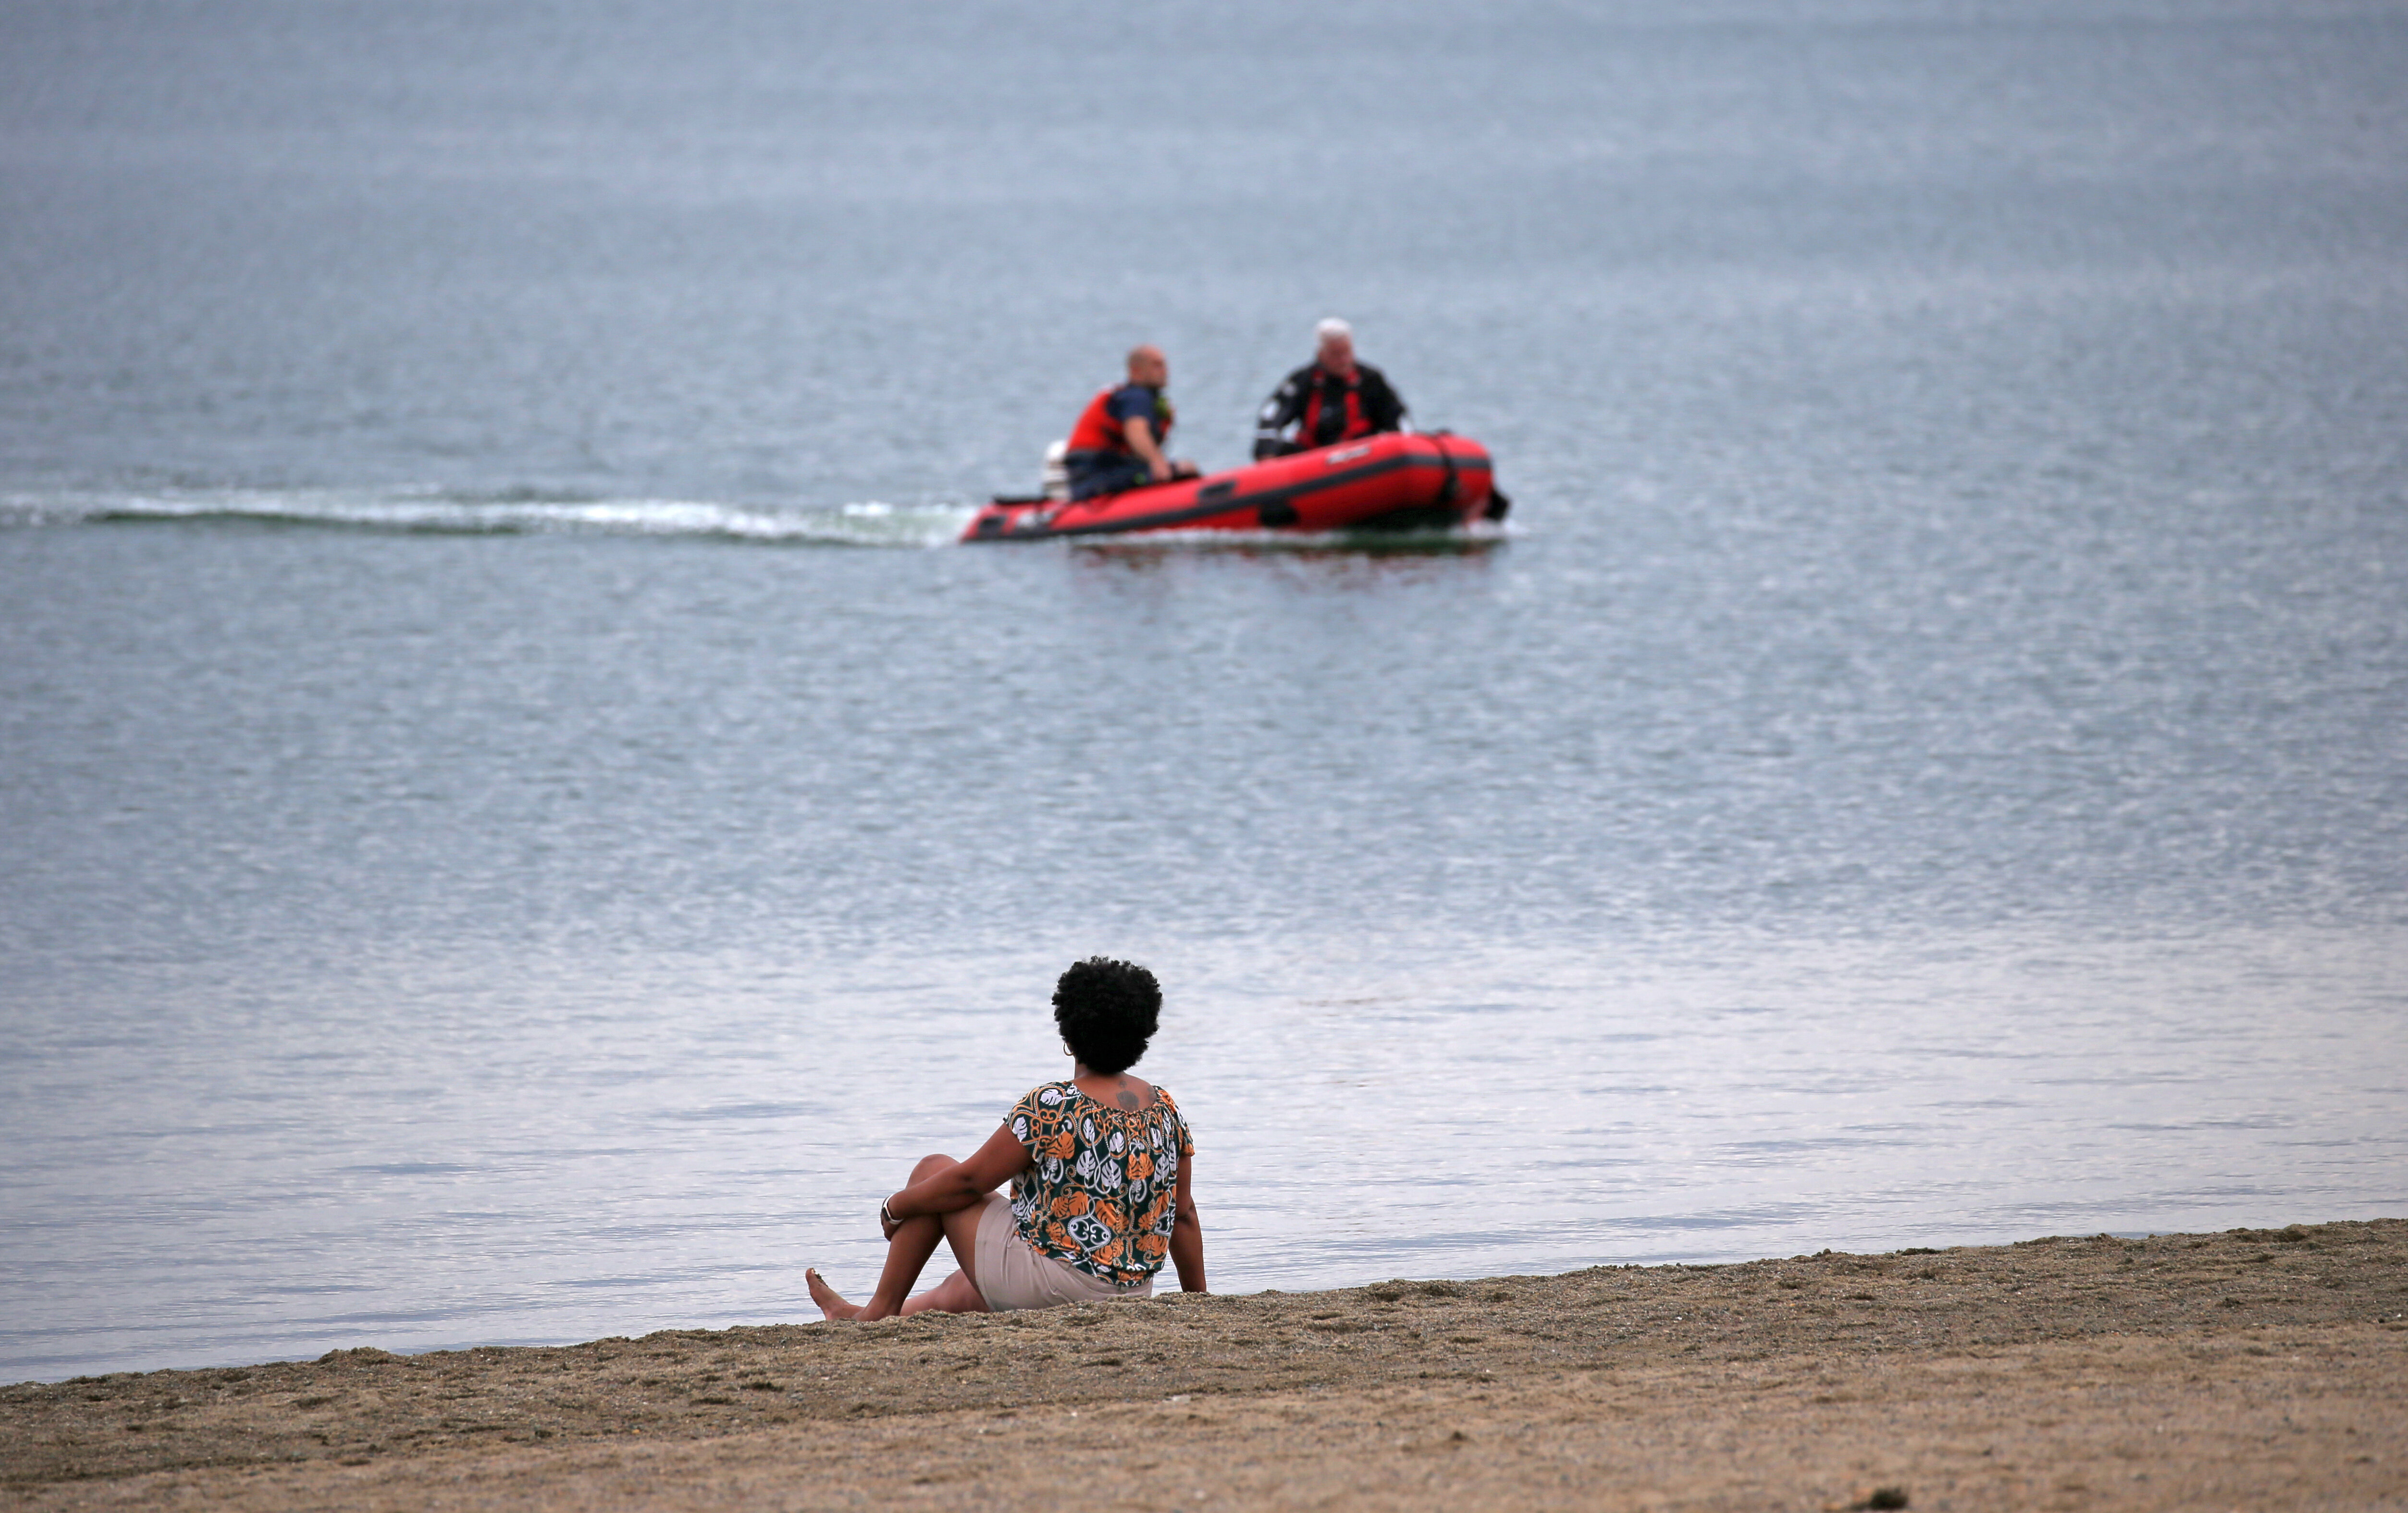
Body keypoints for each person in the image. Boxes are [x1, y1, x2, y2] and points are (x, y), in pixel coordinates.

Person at [805, 958, 1205, 1320]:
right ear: (1142, 1034)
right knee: (961, 1288)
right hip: (1131, 1293)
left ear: (1068, 1032)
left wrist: (895, 1207)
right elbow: (1183, 1214)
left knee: (935, 1173)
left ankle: (878, 1311)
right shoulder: (1164, 1107)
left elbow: (969, 1183)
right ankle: (867, 1312)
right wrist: (1200, 1302)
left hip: (1059, 1288)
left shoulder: (1051, 1105)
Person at [1251, 317, 1409, 460]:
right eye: (1336, 354)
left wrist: (1406, 451)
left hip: (1363, 457)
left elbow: (1396, 417)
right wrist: (1267, 453)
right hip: (1315, 460)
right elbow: (1272, 415)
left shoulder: (1371, 380)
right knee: (1282, 450)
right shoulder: (1304, 381)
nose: (1343, 360)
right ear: (1321, 355)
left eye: (1347, 352)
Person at [1062, 346, 1200, 501]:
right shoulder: (1137, 397)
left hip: (1109, 473)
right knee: (1185, 469)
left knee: (1180, 469)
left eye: (1164, 365)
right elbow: (1136, 431)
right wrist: (1158, 464)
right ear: (1136, 371)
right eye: (1157, 365)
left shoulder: (1140, 399)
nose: (1165, 371)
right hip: (1098, 477)